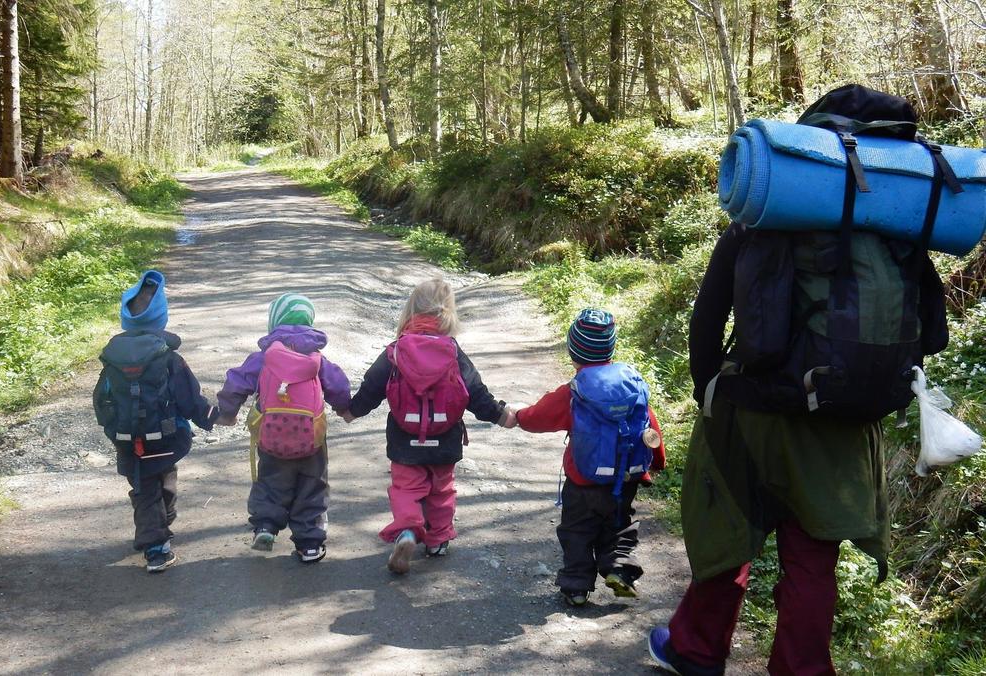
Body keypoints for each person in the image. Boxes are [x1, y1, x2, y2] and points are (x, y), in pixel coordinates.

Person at [648, 85, 950, 674]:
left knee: (728, 532)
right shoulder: (900, 225)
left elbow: (708, 315)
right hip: (845, 417)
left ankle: (695, 651)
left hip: (752, 409)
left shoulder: (771, 207)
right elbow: (930, 333)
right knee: (813, 559)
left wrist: (706, 390)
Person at [342, 278, 515, 574]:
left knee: (406, 489)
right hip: (445, 437)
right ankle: (437, 540)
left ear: (410, 310)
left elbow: (373, 385)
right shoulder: (452, 351)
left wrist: (352, 410)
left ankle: (408, 532)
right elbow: (475, 392)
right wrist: (501, 415)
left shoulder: (396, 351)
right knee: (441, 490)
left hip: (404, 439)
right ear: (448, 312)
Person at [515, 308, 666, 606]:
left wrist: (518, 416)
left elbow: (538, 417)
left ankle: (576, 586)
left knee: (576, 532)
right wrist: (657, 461)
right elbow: (649, 422)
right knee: (619, 526)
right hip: (625, 480)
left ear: (573, 350)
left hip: (583, 482)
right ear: (611, 346)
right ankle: (620, 571)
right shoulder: (629, 384)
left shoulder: (574, 392)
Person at [93, 270, 219, 573]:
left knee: (145, 487)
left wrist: (113, 429)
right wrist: (211, 417)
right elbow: (189, 398)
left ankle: (157, 528)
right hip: (167, 438)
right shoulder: (169, 358)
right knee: (160, 484)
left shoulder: (112, 360)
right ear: (162, 319)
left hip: (127, 439)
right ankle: (156, 548)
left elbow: (101, 401)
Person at [215, 294, 350, 563]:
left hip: (271, 435)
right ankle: (310, 543)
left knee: (270, 482)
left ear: (274, 322)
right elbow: (339, 385)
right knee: (312, 486)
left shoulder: (264, 357)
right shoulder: (317, 359)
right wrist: (345, 409)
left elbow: (236, 381)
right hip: (311, 438)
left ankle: (265, 527)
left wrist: (227, 413)